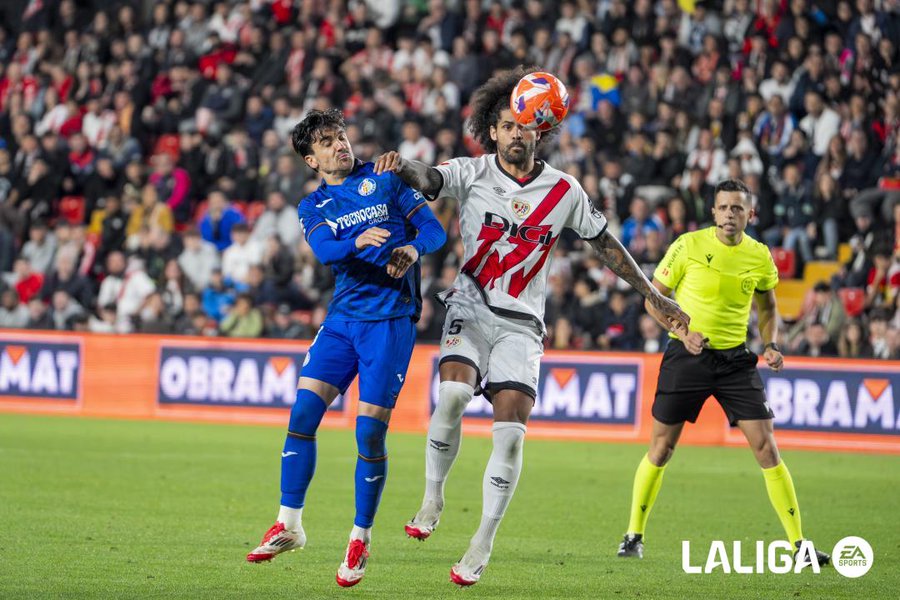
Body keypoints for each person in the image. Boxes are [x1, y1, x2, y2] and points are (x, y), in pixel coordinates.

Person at [373, 67, 690, 586]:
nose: (517, 133)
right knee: (450, 398)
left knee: (511, 438)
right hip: (469, 308)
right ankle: (433, 496)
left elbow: (604, 242)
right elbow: (430, 179)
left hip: (522, 325)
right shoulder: (471, 171)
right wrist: (401, 164)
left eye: (525, 126)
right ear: (492, 131)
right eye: (507, 126)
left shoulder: (563, 190)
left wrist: (652, 293)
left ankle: (482, 542)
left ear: (540, 128)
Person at [245, 109, 447, 588]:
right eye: (327, 142)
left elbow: (434, 231)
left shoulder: (386, 177)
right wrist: (358, 239)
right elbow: (326, 252)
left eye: (341, 136)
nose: (340, 145)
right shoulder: (313, 206)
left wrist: (412, 249)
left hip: (390, 322)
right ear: (311, 159)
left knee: (368, 436)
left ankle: (360, 537)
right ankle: (289, 525)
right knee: (301, 416)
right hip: (342, 321)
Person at [615, 178, 831, 568]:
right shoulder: (687, 245)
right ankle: (633, 535)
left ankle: (800, 546)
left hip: (735, 361)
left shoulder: (760, 256)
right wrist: (681, 330)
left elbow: (766, 306)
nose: (730, 214)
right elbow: (654, 299)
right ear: (713, 212)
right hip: (686, 356)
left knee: (767, 449)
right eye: (724, 208)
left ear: (750, 213)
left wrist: (771, 344)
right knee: (661, 449)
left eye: (738, 208)